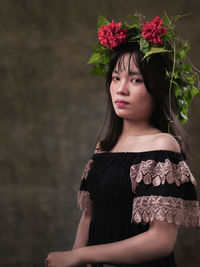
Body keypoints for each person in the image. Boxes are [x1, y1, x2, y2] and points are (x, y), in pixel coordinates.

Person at [45, 13, 200, 267]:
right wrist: (74, 258)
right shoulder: (104, 147)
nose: (121, 88)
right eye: (116, 78)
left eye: (135, 79)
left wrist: (79, 256)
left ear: (156, 87)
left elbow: (160, 241)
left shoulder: (162, 147)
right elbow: (89, 217)